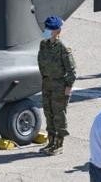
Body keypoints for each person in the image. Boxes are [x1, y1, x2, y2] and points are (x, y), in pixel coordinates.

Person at [37, 15, 76, 156]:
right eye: (46, 28)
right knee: (48, 113)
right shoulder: (44, 44)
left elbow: (72, 71)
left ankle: (59, 145)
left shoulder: (63, 48)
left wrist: (68, 88)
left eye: (50, 29)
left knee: (59, 115)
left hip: (59, 85)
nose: (46, 31)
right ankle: (51, 142)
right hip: (47, 83)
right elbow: (41, 62)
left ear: (57, 31)